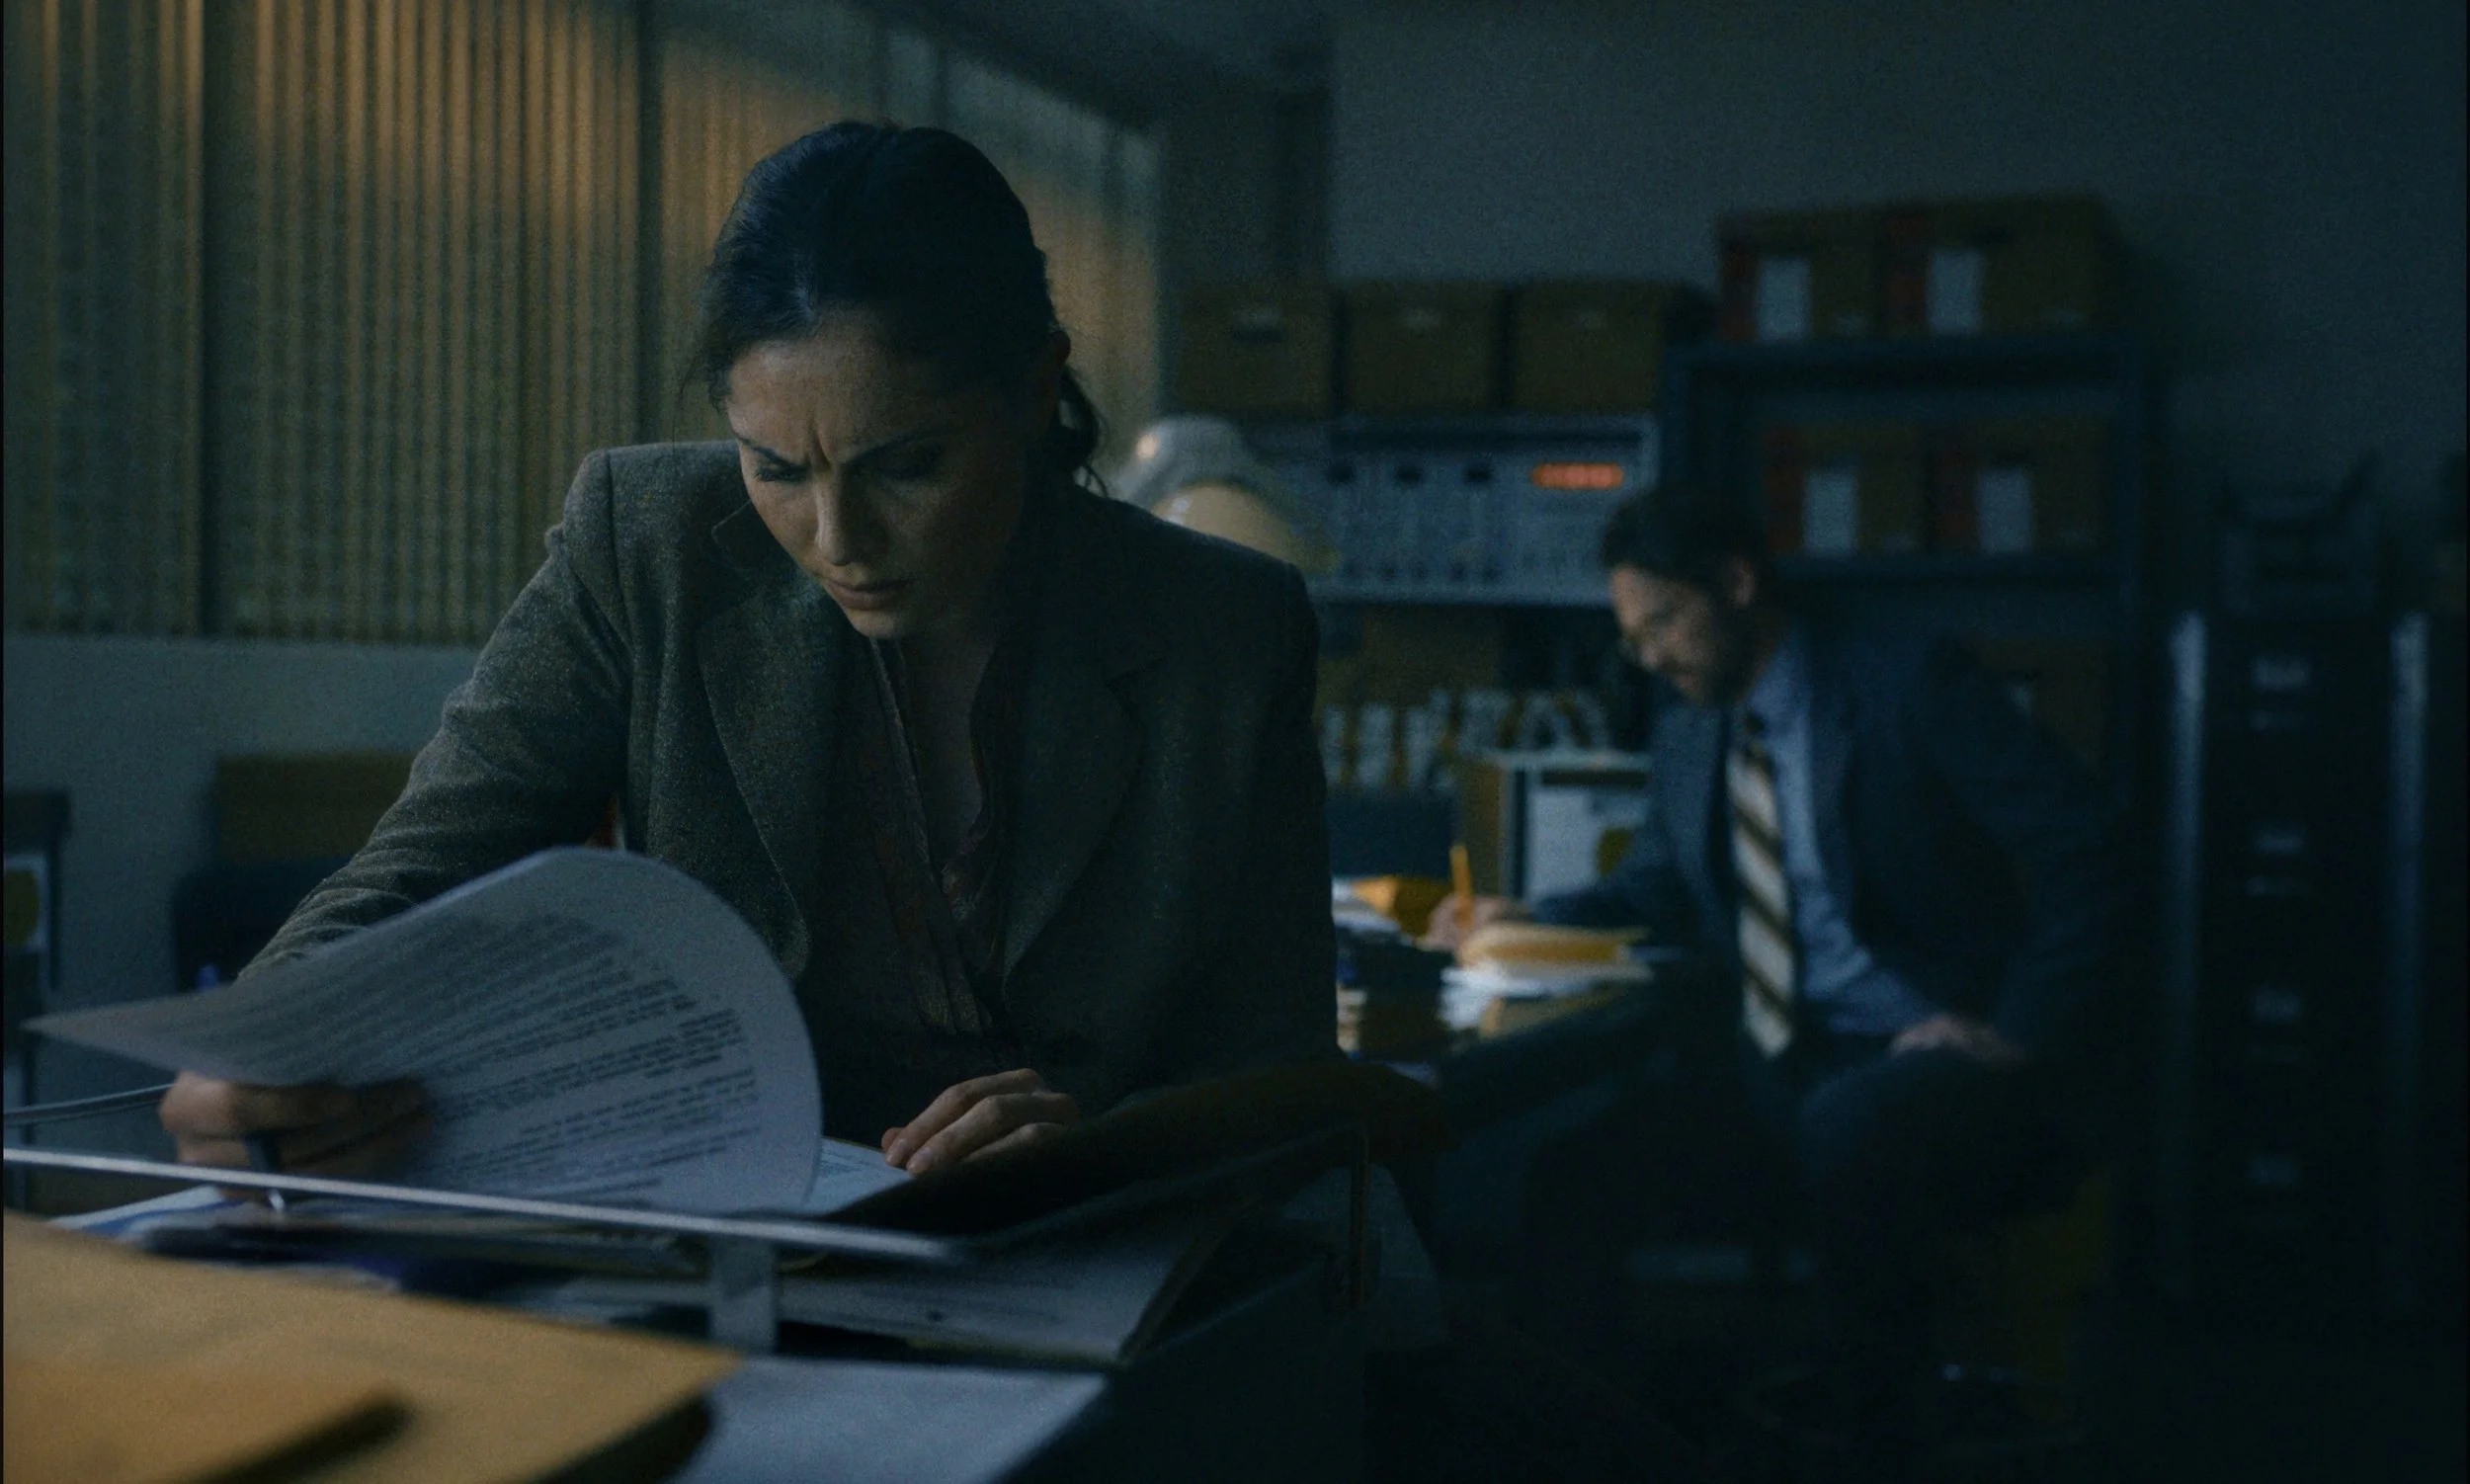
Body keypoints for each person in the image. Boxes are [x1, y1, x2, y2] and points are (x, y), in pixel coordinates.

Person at [159, 122, 1337, 1185]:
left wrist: (1101, 1144)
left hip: (1095, 1251)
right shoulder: (648, 544)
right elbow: (423, 864)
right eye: (776, 467)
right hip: (732, 1230)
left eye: (907, 466)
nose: (839, 539)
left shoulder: (1226, 628)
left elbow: (1278, 1072)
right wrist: (257, 1049)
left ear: (1035, 389)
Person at [1426, 487, 2120, 1478]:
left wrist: (2017, 1030)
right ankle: (1583, 1453)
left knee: (1850, 1125)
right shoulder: (1691, 729)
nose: (1649, 657)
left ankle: (1882, 1451)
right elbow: (1657, 884)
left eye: (1664, 623)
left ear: (1737, 581)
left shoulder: (1906, 682)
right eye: (1633, 638)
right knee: (1575, 1180)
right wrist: (1525, 915)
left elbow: (2088, 848)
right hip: (1784, 1068)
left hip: (1941, 1059)